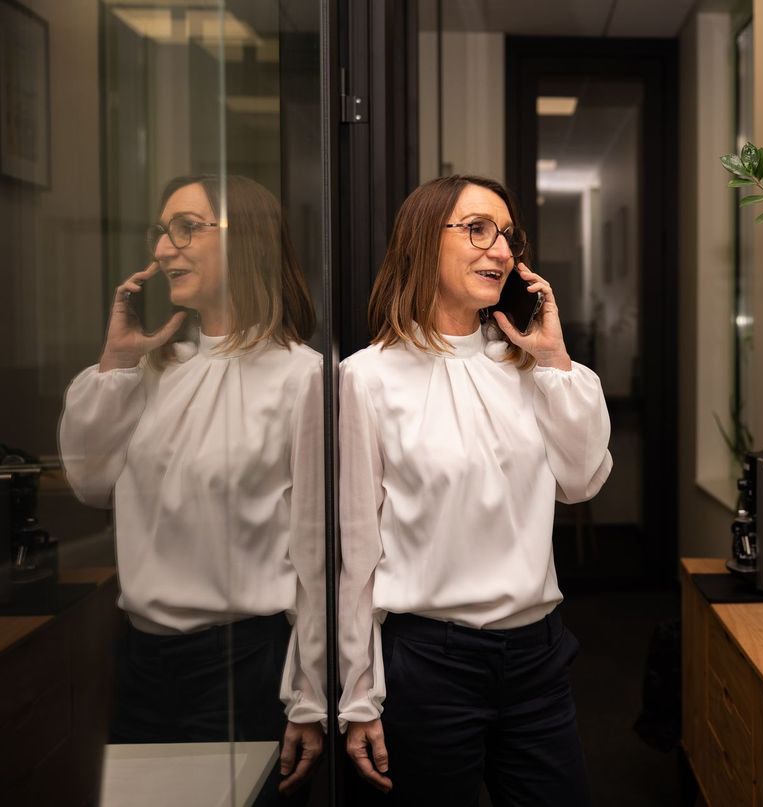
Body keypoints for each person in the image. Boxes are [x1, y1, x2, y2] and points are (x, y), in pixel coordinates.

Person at [338, 174, 612, 805]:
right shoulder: (367, 379)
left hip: (538, 658)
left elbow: (580, 480)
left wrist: (553, 358)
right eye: (477, 230)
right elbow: (352, 554)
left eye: (508, 236)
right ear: (419, 244)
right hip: (428, 664)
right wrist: (356, 693)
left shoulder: (532, 369)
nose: (501, 250)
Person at [58, 175, 326, 797]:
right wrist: (117, 362)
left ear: (247, 244)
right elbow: (90, 483)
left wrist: (311, 690)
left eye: (185, 228)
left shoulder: (301, 377)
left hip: (246, 666)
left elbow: (319, 553)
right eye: (161, 231)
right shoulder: (155, 370)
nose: (161, 250)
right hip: (141, 663)